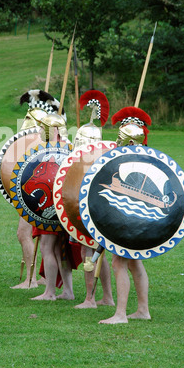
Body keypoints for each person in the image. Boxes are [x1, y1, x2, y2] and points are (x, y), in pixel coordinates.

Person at [99, 106, 152, 324]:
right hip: (141, 222)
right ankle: (142, 310)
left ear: (130, 141)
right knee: (134, 263)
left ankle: (120, 314)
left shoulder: (131, 164)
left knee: (119, 263)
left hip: (129, 220)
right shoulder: (149, 160)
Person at [11, 89, 67, 289]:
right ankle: (43, 279)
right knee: (45, 240)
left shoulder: (53, 146)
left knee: (24, 234)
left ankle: (32, 279)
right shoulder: (43, 144)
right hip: (41, 196)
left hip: (40, 198)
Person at [28, 112, 82, 301]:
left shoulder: (45, 152)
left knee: (47, 248)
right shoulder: (71, 149)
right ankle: (68, 291)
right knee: (62, 249)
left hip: (49, 207)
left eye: (44, 127)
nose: (41, 130)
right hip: (65, 208)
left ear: (52, 130)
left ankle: (49, 292)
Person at [71, 90, 114, 309]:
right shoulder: (106, 159)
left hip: (88, 215)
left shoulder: (86, 162)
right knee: (100, 253)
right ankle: (107, 297)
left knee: (88, 252)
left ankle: (90, 299)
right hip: (102, 215)